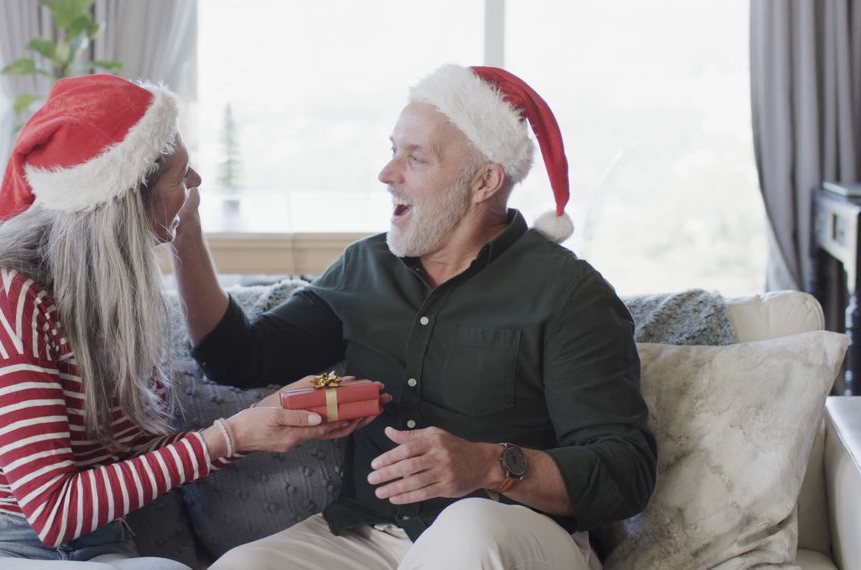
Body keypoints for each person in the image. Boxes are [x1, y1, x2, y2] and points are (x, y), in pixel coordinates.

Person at [170, 65, 657, 569]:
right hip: (371, 537)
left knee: (470, 528)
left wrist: (490, 464)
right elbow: (236, 358)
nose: (387, 174)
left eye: (416, 158)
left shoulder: (569, 293)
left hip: (513, 533)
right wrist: (183, 231)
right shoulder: (366, 267)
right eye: (393, 150)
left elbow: (626, 472)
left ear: (483, 181)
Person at [0, 74, 374, 570]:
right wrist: (232, 436)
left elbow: (134, 457)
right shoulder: (10, 293)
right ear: (126, 199)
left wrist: (261, 420)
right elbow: (54, 510)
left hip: (91, 544)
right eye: (181, 175)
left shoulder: (112, 300)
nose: (197, 184)